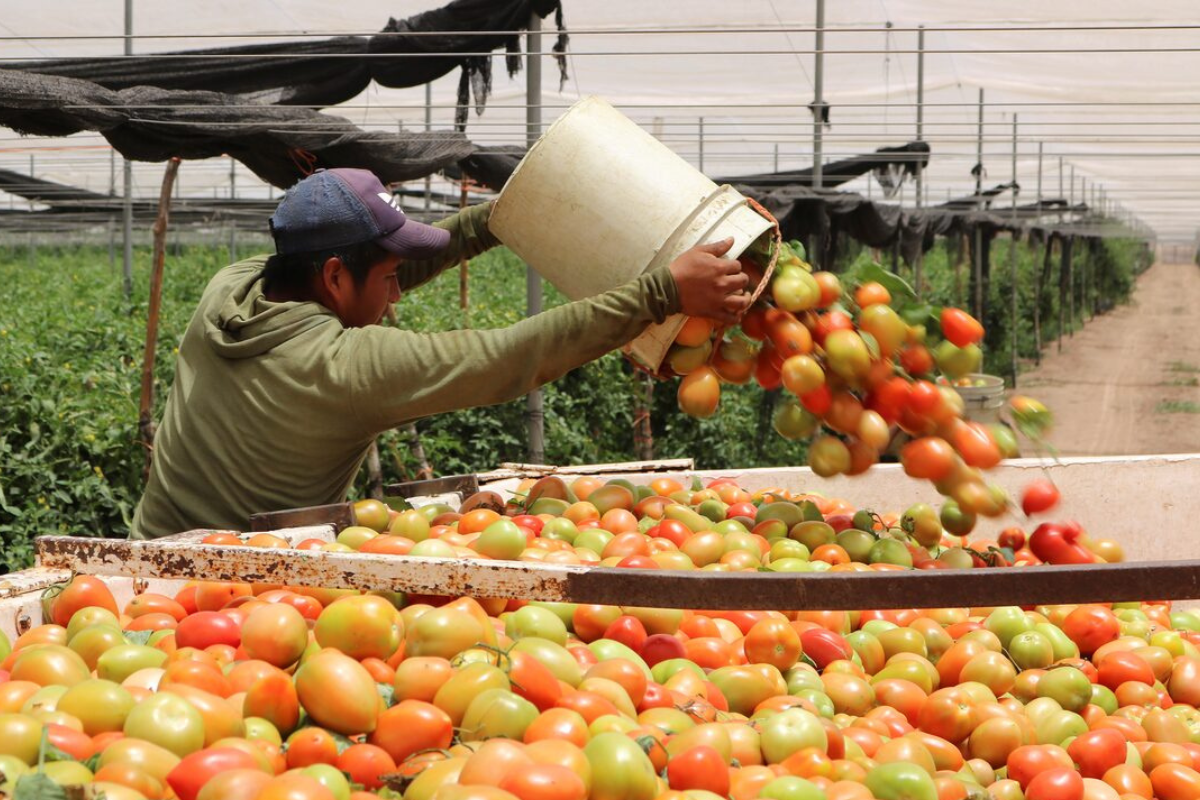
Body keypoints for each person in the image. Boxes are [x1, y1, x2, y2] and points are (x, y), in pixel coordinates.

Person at [130, 167, 750, 539]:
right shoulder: (344, 369)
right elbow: (508, 357)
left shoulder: (232, 288)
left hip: (141, 557)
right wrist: (661, 292)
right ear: (336, 279)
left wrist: (494, 222)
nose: (401, 289)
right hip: (224, 592)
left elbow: (370, 277)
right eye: (391, 276)